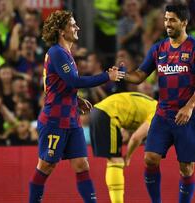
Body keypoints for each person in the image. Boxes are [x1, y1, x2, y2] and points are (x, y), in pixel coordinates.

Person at [28, 10, 124, 203]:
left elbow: (60, 84)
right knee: (46, 166)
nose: (77, 27)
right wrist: (107, 76)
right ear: (62, 31)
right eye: (72, 24)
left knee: (82, 164)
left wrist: (76, 99)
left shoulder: (66, 53)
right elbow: (72, 80)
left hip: (72, 119)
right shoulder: (56, 52)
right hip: (55, 120)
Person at [120, 3, 195, 203]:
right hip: (163, 114)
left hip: (188, 116)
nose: (167, 24)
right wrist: (121, 75)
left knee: (186, 168)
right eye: (165, 19)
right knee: (149, 158)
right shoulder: (158, 49)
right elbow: (140, 76)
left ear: (184, 22)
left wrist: (189, 106)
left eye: (172, 20)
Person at [89, 91, 157, 203]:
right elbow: (136, 137)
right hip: (108, 115)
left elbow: (127, 118)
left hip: (99, 111)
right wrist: (128, 157)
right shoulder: (157, 113)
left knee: (113, 160)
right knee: (116, 161)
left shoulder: (151, 104)